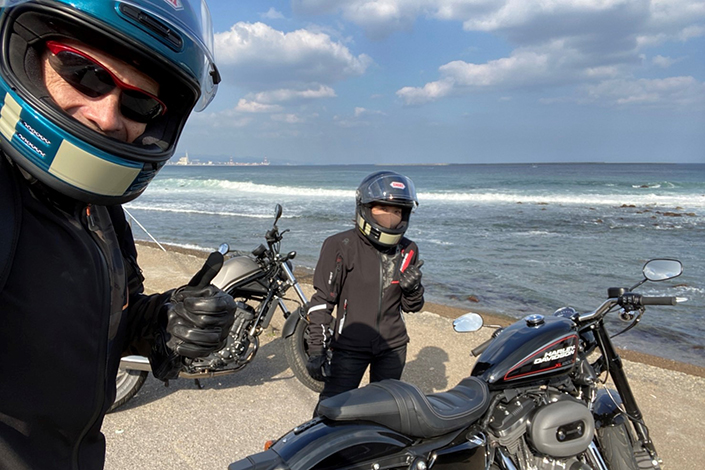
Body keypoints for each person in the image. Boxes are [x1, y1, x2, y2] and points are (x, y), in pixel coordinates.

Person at [0, 1, 236, 469]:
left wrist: (165, 321)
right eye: (83, 73)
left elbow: (109, 322)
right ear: (28, 54)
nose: (108, 117)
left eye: (140, 103)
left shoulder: (101, 210)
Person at [305, 171, 425, 411]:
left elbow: (411, 307)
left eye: (397, 210)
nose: (391, 216)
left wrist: (414, 290)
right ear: (366, 208)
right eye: (383, 208)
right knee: (331, 411)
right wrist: (316, 347)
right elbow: (322, 300)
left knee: (384, 412)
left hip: (393, 346)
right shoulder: (340, 245)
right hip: (350, 347)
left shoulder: (408, 250)